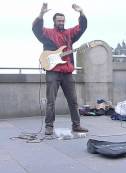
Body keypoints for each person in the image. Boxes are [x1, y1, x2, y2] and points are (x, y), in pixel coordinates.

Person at [32, 3, 88, 135]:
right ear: (54, 22)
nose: (61, 22)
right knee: (51, 101)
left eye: (63, 20)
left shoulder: (69, 33)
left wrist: (82, 13)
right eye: (59, 20)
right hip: (53, 72)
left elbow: (82, 27)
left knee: (73, 101)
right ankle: (49, 126)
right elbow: (36, 29)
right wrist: (41, 14)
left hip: (67, 72)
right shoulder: (47, 33)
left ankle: (76, 125)